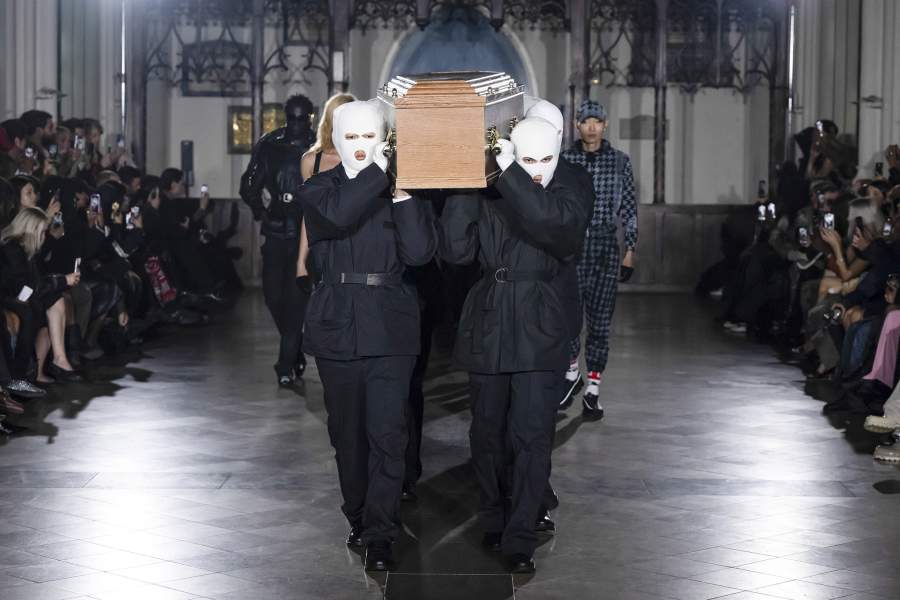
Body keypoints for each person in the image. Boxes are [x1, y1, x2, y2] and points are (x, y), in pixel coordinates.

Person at [439, 117, 591, 573]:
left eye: (546, 159)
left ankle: (521, 534)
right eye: (528, 160)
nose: (538, 170)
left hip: (541, 319)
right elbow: (456, 251)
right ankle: (493, 516)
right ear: (511, 154)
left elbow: (551, 224)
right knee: (487, 431)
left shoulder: (569, 189)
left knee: (532, 434)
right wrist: (465, 180)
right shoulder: (492, 187)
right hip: (489, 316)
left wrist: (510, 175)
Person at [299, 100, 435, 572]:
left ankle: (381, 531)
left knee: (388, 433)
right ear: (337, 140)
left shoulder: (399, 187)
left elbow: (420, 253)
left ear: (384, 139)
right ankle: (357, 515)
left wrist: (403, 195)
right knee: (348, 435)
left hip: (391, 326)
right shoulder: (319, 188)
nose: (361, 146)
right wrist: (382, 173)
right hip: (336, 323)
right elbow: (339, 216)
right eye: (351, 137)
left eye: (370, 137)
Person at [560, 99, 638, 419]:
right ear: (577, 125)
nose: (591, 127)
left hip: (606, 247)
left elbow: (629, 208)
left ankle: (593, 390)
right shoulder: (565, 160)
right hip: (573, 247)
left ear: (605, 125)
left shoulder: (620, 162)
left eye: (597, 121)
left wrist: (630, 250)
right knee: (568, 318)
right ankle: (571, 374)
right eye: (585, 121)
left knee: (600, 323)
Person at [240, 94, 316, 385]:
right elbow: (249, 184)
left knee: (296, 301)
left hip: (305, 235)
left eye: (301, 118)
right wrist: (261, 212)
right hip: (275, 229)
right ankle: (294, 348)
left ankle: (284, 367)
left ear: (309, 118)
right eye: (291, 117)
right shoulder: (270, 145)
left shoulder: (319, 146)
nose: (295, 123)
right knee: (273, 297)